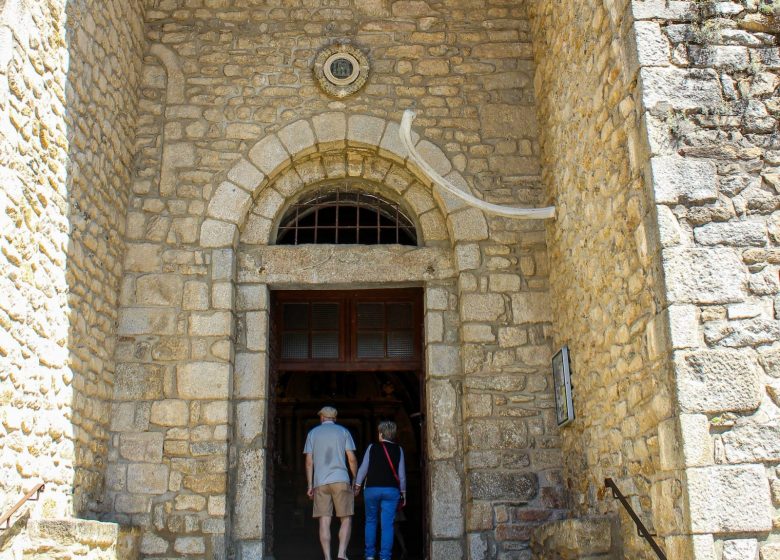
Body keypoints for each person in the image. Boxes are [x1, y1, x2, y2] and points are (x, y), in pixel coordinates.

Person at [304, 406, 358, 560]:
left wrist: (310, 485)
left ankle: (327, 557)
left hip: (320, 482)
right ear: (335, 418)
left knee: (324, 520)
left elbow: (309, 462)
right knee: (346, 518)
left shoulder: (312, 433)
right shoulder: (343, 432)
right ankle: (341, 553)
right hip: (341, 479)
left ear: (321, 418)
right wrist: (355, 478)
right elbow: (351, 458)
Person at [353, 420, 407, 560]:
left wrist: (357, 486)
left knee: (370, 521)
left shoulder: (372, 448)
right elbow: (401, 475)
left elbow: (363, 469)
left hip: (372, 489)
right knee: (387, 524)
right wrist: (403, 493)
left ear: (381, 434)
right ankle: (385, 557)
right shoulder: (398, 449)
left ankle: (370, 555)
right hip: (391, 491)